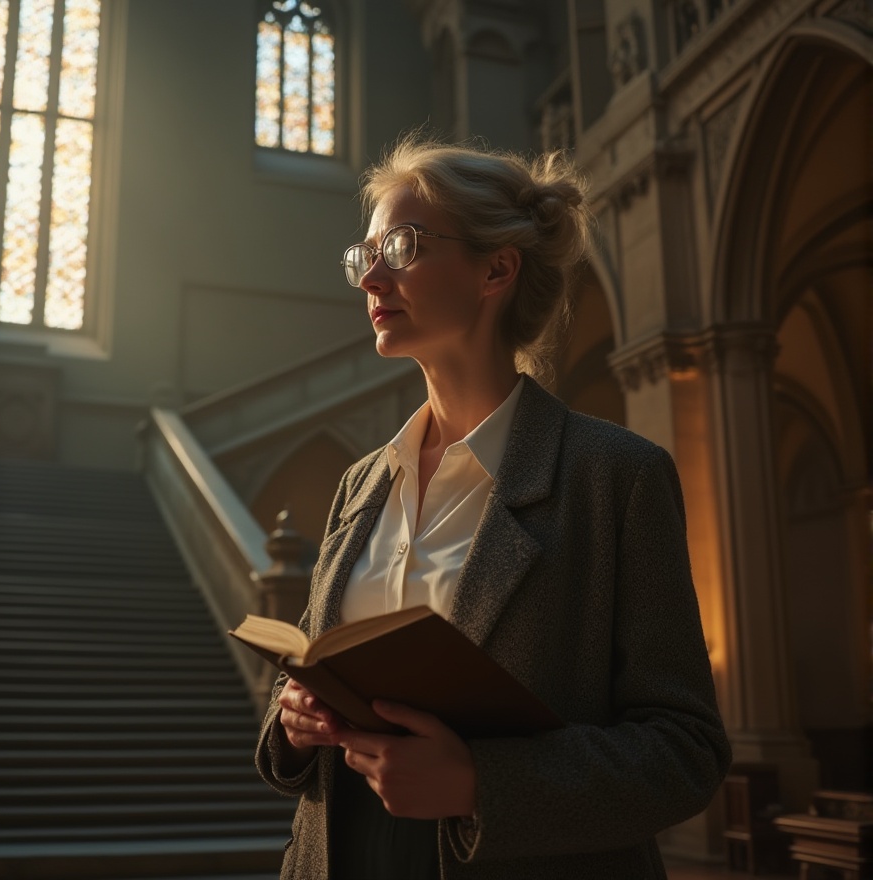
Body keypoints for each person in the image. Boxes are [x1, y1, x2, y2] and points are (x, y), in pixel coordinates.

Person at [253, 135, 732, 879]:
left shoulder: (615, 477)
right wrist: (294, 716)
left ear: (496, 269)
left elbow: (685, 751)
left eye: (401, 247)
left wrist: (481, 784)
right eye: (364, 255)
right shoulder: (359, 485)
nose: (370, 277)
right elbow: (308, 690)